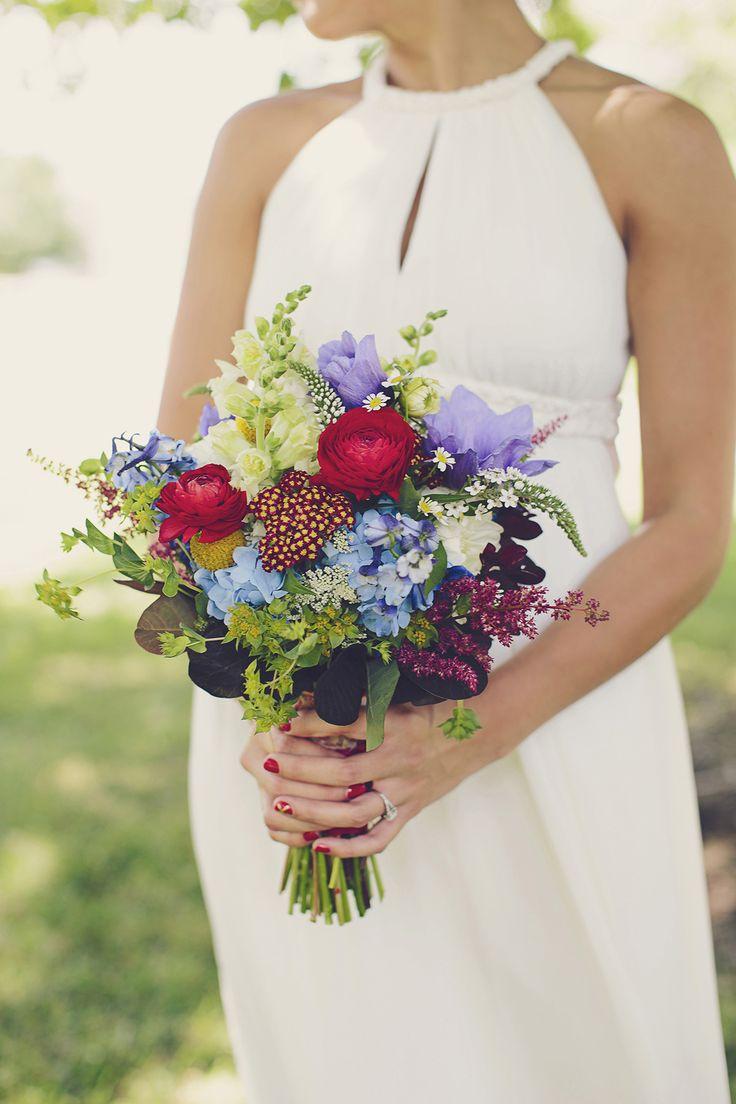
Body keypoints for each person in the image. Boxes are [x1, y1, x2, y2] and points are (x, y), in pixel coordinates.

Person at [157, 2, 735, 1100]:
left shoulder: (649, 137)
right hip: (305, 742)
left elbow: (694, 517)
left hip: (560, 705)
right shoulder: (264, 143)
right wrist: (277, 701)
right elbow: (190, 477)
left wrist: (469, 733)